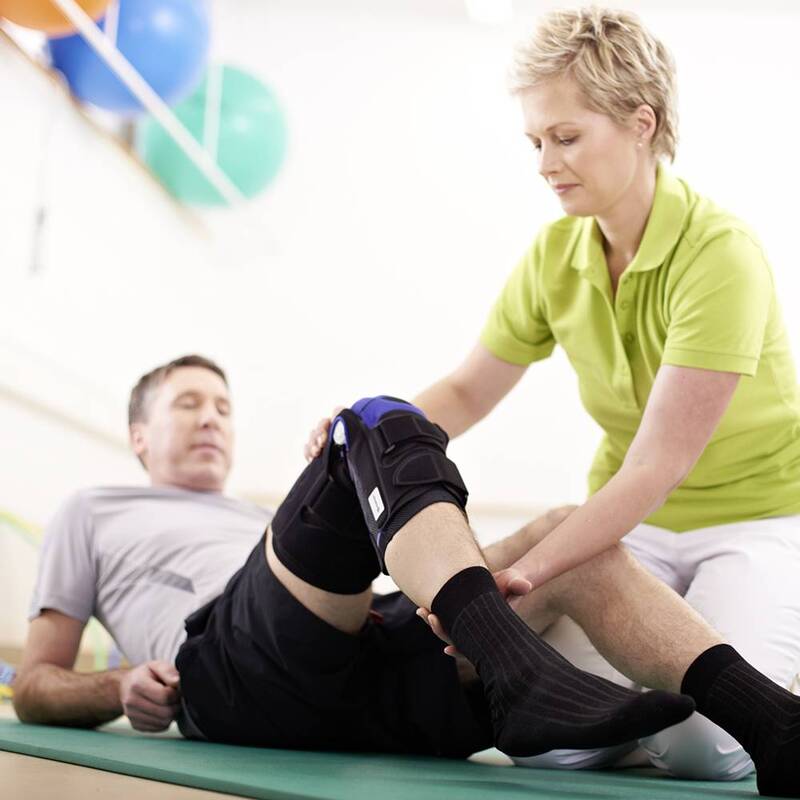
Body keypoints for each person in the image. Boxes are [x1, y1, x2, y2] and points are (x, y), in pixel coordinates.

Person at [307, 5, 800, 787]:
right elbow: (469, 390)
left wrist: (519, 578)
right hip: (632, 532)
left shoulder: (721, 254)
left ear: (642, 124)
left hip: (752, 521)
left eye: (565, 138)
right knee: (544, 735)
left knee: (708, 753)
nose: (544, 162)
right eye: (535, 141)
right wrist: (368, 436)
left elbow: (654, 469)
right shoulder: (555, 253)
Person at [12, 356, 800, 797]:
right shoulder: (96, 507)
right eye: (190, 404)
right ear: (139, 435)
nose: (214, 416)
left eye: (223, 403)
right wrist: (114, 689)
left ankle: (775, 726)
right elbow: (36, 682)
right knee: (370, 418)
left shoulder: (249, 519)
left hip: (367, 662)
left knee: (570, 533)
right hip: (232, 672)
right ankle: (509, 665)